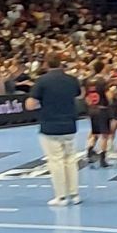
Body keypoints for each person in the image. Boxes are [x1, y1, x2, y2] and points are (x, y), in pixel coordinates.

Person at [26, 50, 82, 206]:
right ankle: (75, 194)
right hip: (70, 125)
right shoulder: (72, 79)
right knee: (70, 159)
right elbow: (79, 95)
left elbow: (30, 105)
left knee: (56, 161)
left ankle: (61, 196)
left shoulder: (42, 81)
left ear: (46, 63)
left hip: (50, 125)